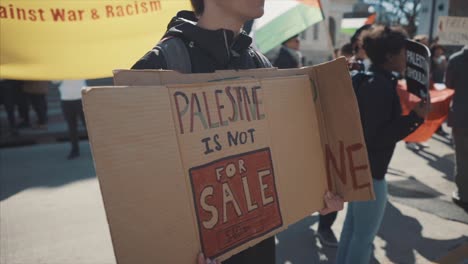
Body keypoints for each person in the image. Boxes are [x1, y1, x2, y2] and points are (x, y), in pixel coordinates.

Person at [132, 0, 344, 263]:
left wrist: (312, 194)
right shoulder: (161, 64)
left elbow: (277, 156)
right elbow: (142, 195)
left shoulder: (259, 62)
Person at [336, 26, 429, 264]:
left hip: (361, 169)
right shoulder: (379, 85)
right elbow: (377, 137)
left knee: (351, 232)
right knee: (362, 239)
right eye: (402, 53)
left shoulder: (373, 78)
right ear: (389, 56)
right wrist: (415, 119)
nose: (406, 59)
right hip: (372, 174)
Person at [445, 45, 468, 208]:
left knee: (462, 157)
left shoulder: (456, 59)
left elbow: (449, 84)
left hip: (461, 116)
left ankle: (464, 193)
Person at [56, 80, 87, 160]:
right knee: (71, 127)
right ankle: (75, 150)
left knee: (88, 126)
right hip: (66, 99)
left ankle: (98, 148)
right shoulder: (59, 67)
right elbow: (54, 81)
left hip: (81, 98)